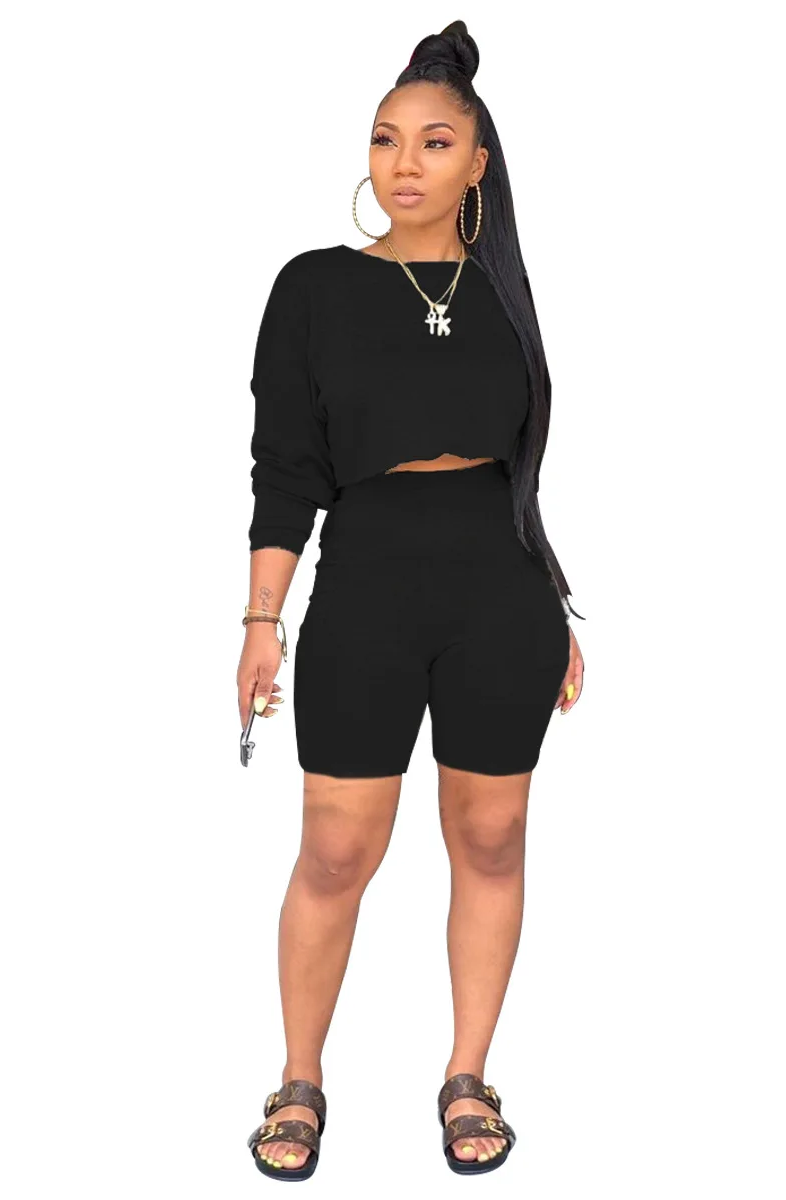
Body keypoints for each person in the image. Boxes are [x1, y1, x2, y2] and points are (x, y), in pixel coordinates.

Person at [238, 22, 586, 1180]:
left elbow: (521, 467)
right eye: (387, 139)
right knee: (336, 849)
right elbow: (286, 467)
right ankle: (299, 1078)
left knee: (491, 837)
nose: (405, 161)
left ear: (478, 164)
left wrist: (554, 602)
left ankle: (467, 1074)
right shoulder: (315, 287)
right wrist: (261, 621)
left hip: (501, 588)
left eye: (435, 142)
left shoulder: (506, 294)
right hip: (368, 580)